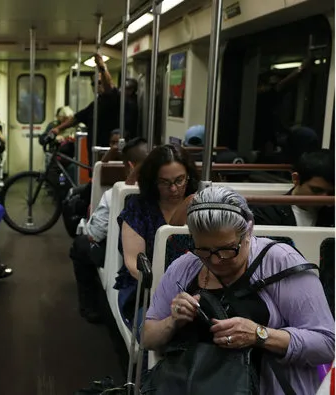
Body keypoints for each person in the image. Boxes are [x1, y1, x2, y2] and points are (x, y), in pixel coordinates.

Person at [143, 186, 334, 394]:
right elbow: (148, 338)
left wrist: (259, 334)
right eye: (204, 250)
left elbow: (327, 344)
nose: (216, 260)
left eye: (227, 249)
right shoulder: (184, 267)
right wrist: (173, 321)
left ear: (249, 232)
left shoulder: (281, 262)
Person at [115, 144, 199, 329]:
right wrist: (172, 290)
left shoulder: (199, 204)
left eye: (180, 180)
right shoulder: (138, 208)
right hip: (143, 289)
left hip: (196, 289)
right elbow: (134, 264)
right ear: (153, 181)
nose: (174, 189)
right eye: (164, 182)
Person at [70, 137, 149, 323]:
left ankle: (90, 307)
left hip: (127, 262)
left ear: (130, 166)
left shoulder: (117, 194)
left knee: (80, 245)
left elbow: (94, 234)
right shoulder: (177, 190)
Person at [50, 54, 120, 164]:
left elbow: (109, 87)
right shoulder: (95, 104)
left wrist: (102, 67)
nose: (97, 85)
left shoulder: (114, 98)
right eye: (94, 83)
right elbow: (77, 118)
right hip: (94, 153)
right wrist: (58, 128)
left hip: (107, 153)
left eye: (100, 82)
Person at [251, 149, 335, 227]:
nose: (324, 199)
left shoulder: (331, 214)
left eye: (331, 193)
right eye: (316, 190)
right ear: (296, 179)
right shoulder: (267, 213)